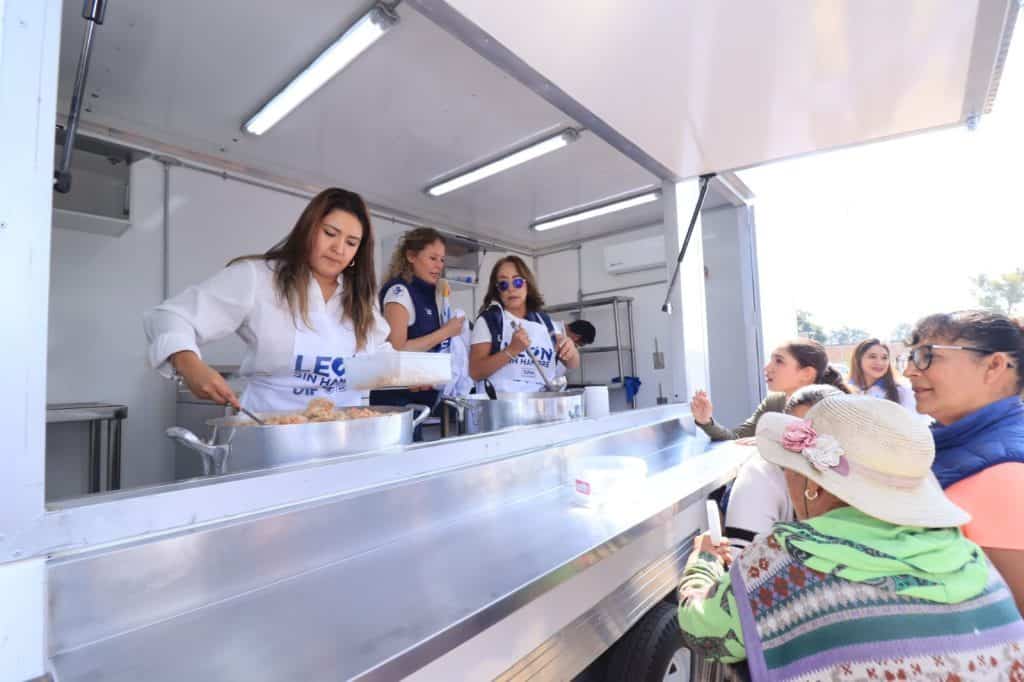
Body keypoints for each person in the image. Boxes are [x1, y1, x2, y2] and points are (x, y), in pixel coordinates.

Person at [677, 395, 1024, 679]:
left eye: (790, 470)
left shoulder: (787, 554)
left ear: (813, 485)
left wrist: (703, 563)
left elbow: (706, 635)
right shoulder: (966, 555)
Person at [145, 187, 391, 412]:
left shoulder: (360, 298)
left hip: (345, 438)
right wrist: (189, 364)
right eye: (330, 233)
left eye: (351, 243)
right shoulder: (259, 277)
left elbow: (377, 351)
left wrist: (414, 373)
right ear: (308, 230)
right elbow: (170, 316)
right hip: (271, 435)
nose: (339, 248)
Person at [901, 310, 1024, 613]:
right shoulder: (953, 444)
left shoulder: (1006, 475)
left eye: (926, 355)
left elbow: (1013, 617)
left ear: (994, 365)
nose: (910, 371)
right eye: (911, 356)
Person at [723, 384, 843, 552]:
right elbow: (743, 560)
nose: (809, 445)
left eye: (822, 434)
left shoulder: (855, 478)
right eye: (799, 432)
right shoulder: (761, 476)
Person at [372, 228, 466, 415]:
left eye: (442, 260)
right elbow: (396, 349)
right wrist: (446, 332)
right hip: (397, 403)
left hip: (423, 400)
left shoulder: (432, 294)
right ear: (411, 256)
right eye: (432, 258)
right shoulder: (399, 291)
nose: (439, 265)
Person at [691, 338, 850, 441]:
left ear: (806, 373)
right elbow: (738, 438)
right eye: (771, 360)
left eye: (779, 361)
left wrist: (768, 444)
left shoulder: (830, 407)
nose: (767, 368)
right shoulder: (774, 402)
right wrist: (705, 421)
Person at [469, 255, 579, 393]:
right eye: (503, 284)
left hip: (540, 406)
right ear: (497, 290)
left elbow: (572, 363)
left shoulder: (544, 322)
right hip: (501, 408)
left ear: (527, 284)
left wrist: (571, 350)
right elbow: (475, 371)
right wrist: (511, 351)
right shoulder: (489, 321)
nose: (511, 289)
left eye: (517, 282)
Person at [847, 337, 916, 410]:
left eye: (884, 358)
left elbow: (916, 420)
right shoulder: (845, 391)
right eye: (872, 357)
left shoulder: (903, 392)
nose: (879, 363)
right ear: (858, 360)